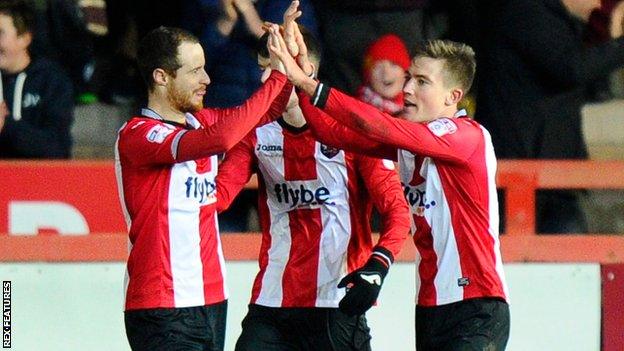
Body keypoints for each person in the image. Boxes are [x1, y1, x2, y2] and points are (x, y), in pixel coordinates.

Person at [268, 28, 510, 350]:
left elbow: (379, 125)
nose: (407, 88)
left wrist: (311, 85)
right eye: (409, 77)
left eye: (422, 82)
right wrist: (302, 77)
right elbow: (335, 133)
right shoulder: (412, 143)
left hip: (477, 304)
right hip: (430, 306)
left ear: (453, 96)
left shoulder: (467, 136)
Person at [216, 16, 411, 350]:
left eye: (276, 67)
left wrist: (379, 265)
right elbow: (218, 197)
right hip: (272, 303)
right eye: (263, 67)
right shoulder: (255, 131)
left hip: (336, 304)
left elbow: (397, 209)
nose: (265, 78)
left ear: (305, 72)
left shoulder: (352, 130)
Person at [114, 26, 293, 351]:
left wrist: (287, 53)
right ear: (161, 77)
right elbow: (222, 139)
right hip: (160, 303)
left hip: (211, 297)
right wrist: (278, 80)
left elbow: (265, 113)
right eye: (195, 71)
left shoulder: (200, 122)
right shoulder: (138, 134)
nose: (207, 79)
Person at [476, 0, 624, 233]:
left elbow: (594, 86)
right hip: (518, 170)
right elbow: (572, 68)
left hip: (555, 177)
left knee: (571, 259)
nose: (599, 4)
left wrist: (612, 35)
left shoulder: (559, 22)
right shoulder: (526, 11)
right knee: (509, 260)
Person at [0, 0, 74, 159]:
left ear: (24, 38)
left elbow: (58, 149)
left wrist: (6, 126)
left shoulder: (51, 81)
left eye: (0, 33)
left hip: (36, 180)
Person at [357, 34, 411, 116]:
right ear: (369, 77)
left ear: (406, 73)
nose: (386, 73)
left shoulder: (419, 113)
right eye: (378, 66)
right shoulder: (354, 110)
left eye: (394, 65)